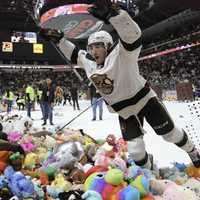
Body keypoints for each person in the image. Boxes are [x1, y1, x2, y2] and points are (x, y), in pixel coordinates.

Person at [39, 0, 200, 169]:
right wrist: (60, 40)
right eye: (91, 47)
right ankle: (148, 172)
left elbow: (132, 35)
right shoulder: (89, 61)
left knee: (170, 134)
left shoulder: (122, 53)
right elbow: (74, 53)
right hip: (124, 111)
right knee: (136, 150)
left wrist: (115, 16)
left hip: (146, 102)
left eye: (99, 46)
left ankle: (192, 151)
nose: (94, 51)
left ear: (108, 46)